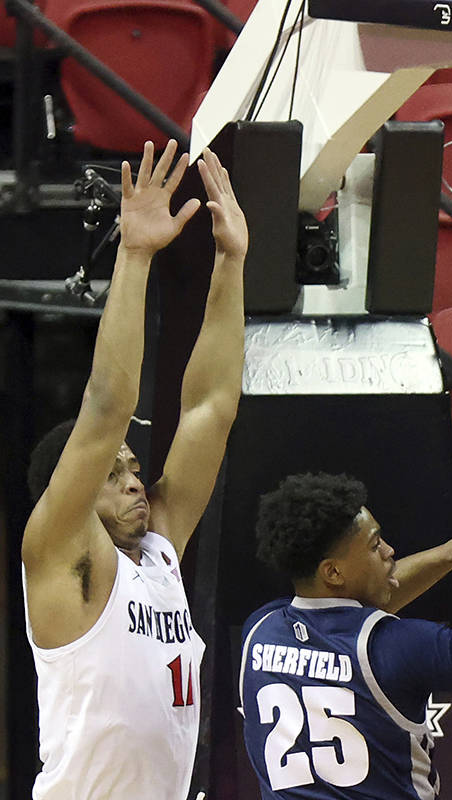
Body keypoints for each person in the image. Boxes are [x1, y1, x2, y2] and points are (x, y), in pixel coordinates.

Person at [20, 140, 247, 800]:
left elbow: (212, 407)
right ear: (71, 491)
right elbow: (108, 403)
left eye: (133, 468)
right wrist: (136, 254)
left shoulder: (158, 551)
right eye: (114, 471)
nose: (135, 479)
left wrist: (232, 263)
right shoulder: (61, 551)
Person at [239, 437, 452, 799]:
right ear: (333, 572)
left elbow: (355, 605)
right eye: (374, 545)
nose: (390, 551)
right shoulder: (396, 649)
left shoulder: (260, 631)